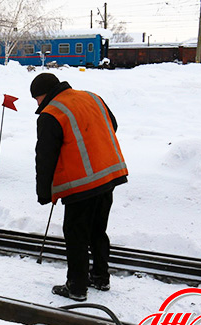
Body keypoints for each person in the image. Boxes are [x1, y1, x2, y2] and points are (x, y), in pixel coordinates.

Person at [31, 73, 128, 301]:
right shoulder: (92, 97)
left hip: (82, 183)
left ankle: (76, 287)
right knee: (97, 230)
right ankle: (100, 278)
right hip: (108, 174)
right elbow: (112, 125)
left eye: (35, 98)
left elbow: (45, 157)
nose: (36, 104)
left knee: (75, 235)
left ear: (42, 95)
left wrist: (44, 192)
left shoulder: (51, 113)